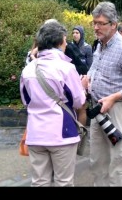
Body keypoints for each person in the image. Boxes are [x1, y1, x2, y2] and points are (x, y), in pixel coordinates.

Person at [81, 1, 122, 187]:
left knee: (119, 160)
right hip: (98, 110)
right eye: (94, 22)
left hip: (117, 110)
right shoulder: (100, 45)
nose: (96, 27)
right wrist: (87, 80)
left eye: (101, 23)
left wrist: (114, 97)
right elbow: (95, 70)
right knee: (97, 160)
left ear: (113, 25)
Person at [19, 20, 86, 187]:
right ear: (61, 41)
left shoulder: (28, 69)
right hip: (61, 133)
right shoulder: (66, 68)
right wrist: (82, 86)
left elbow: (26, 101)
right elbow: (79, 101)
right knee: (63, 182)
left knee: (39, 182)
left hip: (35, 133)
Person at [71, 25, 93, 126]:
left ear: (81, 34)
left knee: (82, 106)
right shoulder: (69, 47)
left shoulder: (87, 47)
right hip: (71, 78)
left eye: (77, 33)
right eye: (73, 33)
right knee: (73, 105)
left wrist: (87, 79)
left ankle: (81, 130)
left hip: (83, 79)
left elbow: (90, 65)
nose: (75, 35)